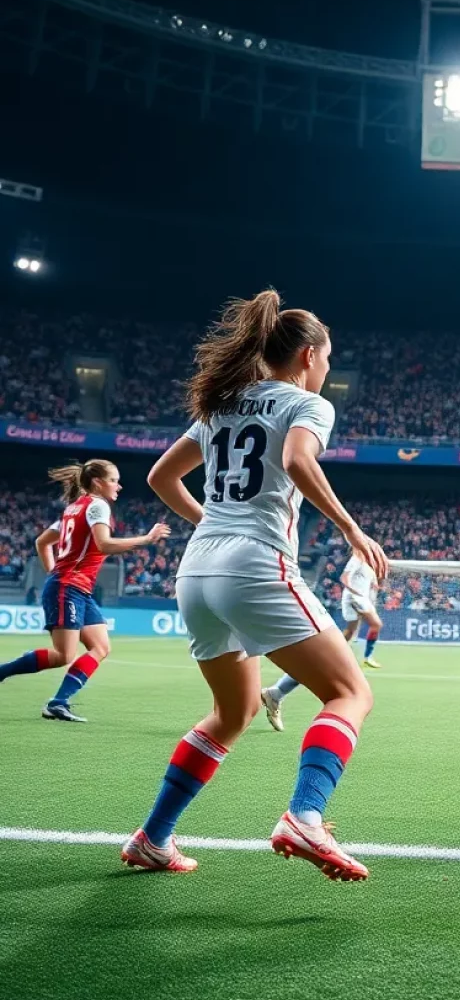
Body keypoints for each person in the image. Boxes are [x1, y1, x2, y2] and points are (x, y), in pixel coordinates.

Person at [122, 288, 388, 880]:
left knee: (232, 711)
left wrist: (213, 526)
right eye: (326, 358)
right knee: (351, 693)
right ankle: (305, 816)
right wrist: (351, 529)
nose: (326, 368)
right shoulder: (304, 404)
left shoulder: (222, 404)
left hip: (197, 570)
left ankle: (153, 838)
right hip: (254, 563)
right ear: (308, 355)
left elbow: (160, 477)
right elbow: (297, 461)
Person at [0, 460, 169, 722]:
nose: (119, 486)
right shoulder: (97, 506)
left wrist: (54, 572)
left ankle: (59, 702)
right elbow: (103, 545)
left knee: (101, 647)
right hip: (69, 586)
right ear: (98, 482)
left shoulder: (74, 508)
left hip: (77, 588)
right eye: (114, 480)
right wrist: (146, 540)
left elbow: (41, 542)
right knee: (63, 655)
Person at [261, 549, 383, 733]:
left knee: (328, 653)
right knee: (352, 692)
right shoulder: (358, 557)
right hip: (349, 599)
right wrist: (356, 592)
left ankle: (276, 692)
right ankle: (368, 656)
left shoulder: (367, 564)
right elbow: (345, 577)